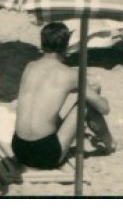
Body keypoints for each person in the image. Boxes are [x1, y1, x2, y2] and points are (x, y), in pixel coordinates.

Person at [11, 22, 114, 170]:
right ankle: (111, 145)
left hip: (19, 150)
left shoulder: (30, 66)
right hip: (45, 155)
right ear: (66, 46)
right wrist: (98, 94)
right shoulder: (72, 75)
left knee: (47, 105)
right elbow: (105, 109)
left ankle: (109, 143)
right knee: (88, 102)